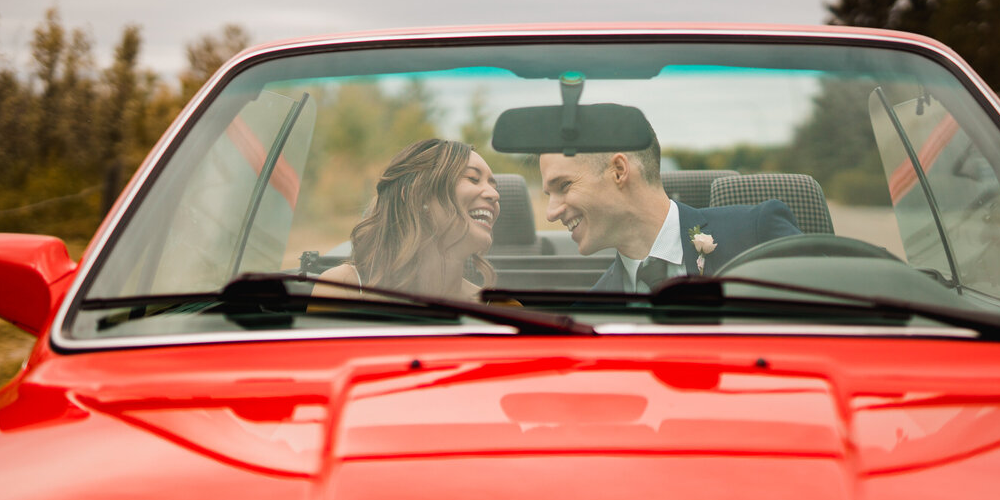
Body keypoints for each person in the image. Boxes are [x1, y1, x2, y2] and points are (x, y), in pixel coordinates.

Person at [539, 129, 801, 292]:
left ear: (618, 171)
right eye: (549, 195)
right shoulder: (587, 314)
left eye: (564, 185)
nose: (551, 212)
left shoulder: (756, 234)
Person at [320, 138, 500, 299]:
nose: (494, 194)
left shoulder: (501, 309)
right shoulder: (342, 288)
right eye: (473, 179)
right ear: (417, 195)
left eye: (493, 185)